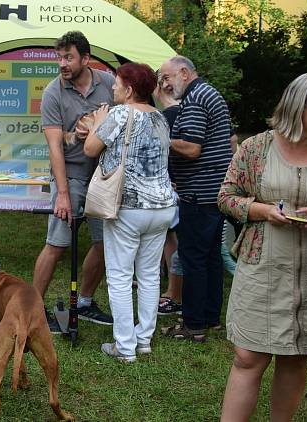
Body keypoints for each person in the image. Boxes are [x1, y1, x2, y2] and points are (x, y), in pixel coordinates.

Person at [218, 73, 307, 421]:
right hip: (263, 268)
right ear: (300, 107)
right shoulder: (255, 148)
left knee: (295, 355)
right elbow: (226, 198)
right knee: (248, 357)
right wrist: (261, 210)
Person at [84, 63, 177, 362]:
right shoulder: (161, 119)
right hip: (162, 205)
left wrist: (99, 121)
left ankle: (124, 348)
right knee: (150, 276)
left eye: (117, 83)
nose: (112, 88)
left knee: (121, 277)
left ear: (129, 89)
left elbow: (90, 148)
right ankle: (144, 339)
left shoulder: (120, 113)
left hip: (128, 206)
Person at [33, 30, 115, 331]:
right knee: (57, 243)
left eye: (68, 57)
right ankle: (33, 308)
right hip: (71, 174)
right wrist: (63, 194)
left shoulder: (109, 83)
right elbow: (55, 145)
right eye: (59, 57)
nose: (62, 63)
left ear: (86, 58)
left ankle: (85, 301)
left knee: (106, 243)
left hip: (105, 174)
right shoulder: (53, 92)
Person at [158, 55, 232, 342]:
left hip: (199, 193)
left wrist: (159, 137)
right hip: (214, 190)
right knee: (211, 256)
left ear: (184, 73)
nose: (165, 84)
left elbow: (191, 148)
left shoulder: (196, 99)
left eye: (167, 77)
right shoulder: (207, 93)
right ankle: (210, 317)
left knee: (193, 258)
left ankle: (192, 324)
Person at [153, 77, 183, 316]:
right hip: (176, 186)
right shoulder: (177, 112)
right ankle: (171, 290)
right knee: (169, 238)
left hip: (174, 188)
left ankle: (174, 293)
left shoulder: (169, 115)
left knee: (171, 240)